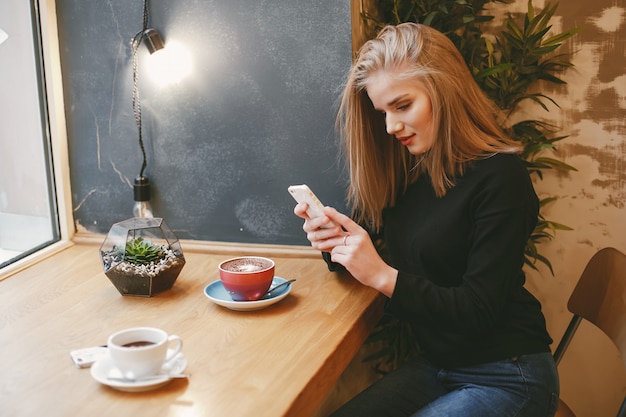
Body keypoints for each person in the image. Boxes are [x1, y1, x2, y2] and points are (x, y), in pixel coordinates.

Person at [293, 23, 559, 417]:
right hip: (443, 364)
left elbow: (476, 311)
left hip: (509, 373)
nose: (390, 126)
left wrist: (382, 275)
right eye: (382, 111)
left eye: (402, 106)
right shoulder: (409, 170)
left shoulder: (502, 179)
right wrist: (336, 243)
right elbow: (376, 255)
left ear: (445, 91)